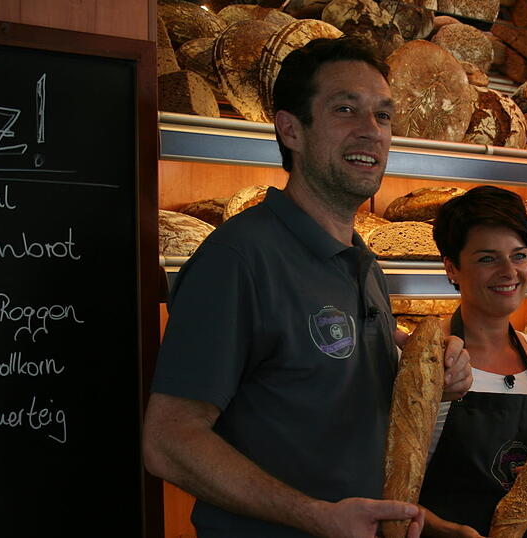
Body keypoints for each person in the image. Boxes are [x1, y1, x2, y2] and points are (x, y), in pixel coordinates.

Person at [141, 37, 472, 538]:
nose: (372, 132)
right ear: (290, 129)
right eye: (346, 110)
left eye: (383, 116)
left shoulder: (363, 262)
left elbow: (334, 407)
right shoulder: (239, 260)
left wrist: (432, 382)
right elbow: (168, 442)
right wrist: (315, 516)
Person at [417, 185, 527, 538]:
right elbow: (384, 486)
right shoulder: (421, 365)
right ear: (451, 268)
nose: (509, 271)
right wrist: (442, 531)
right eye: (487, 258)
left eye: (519, 255)